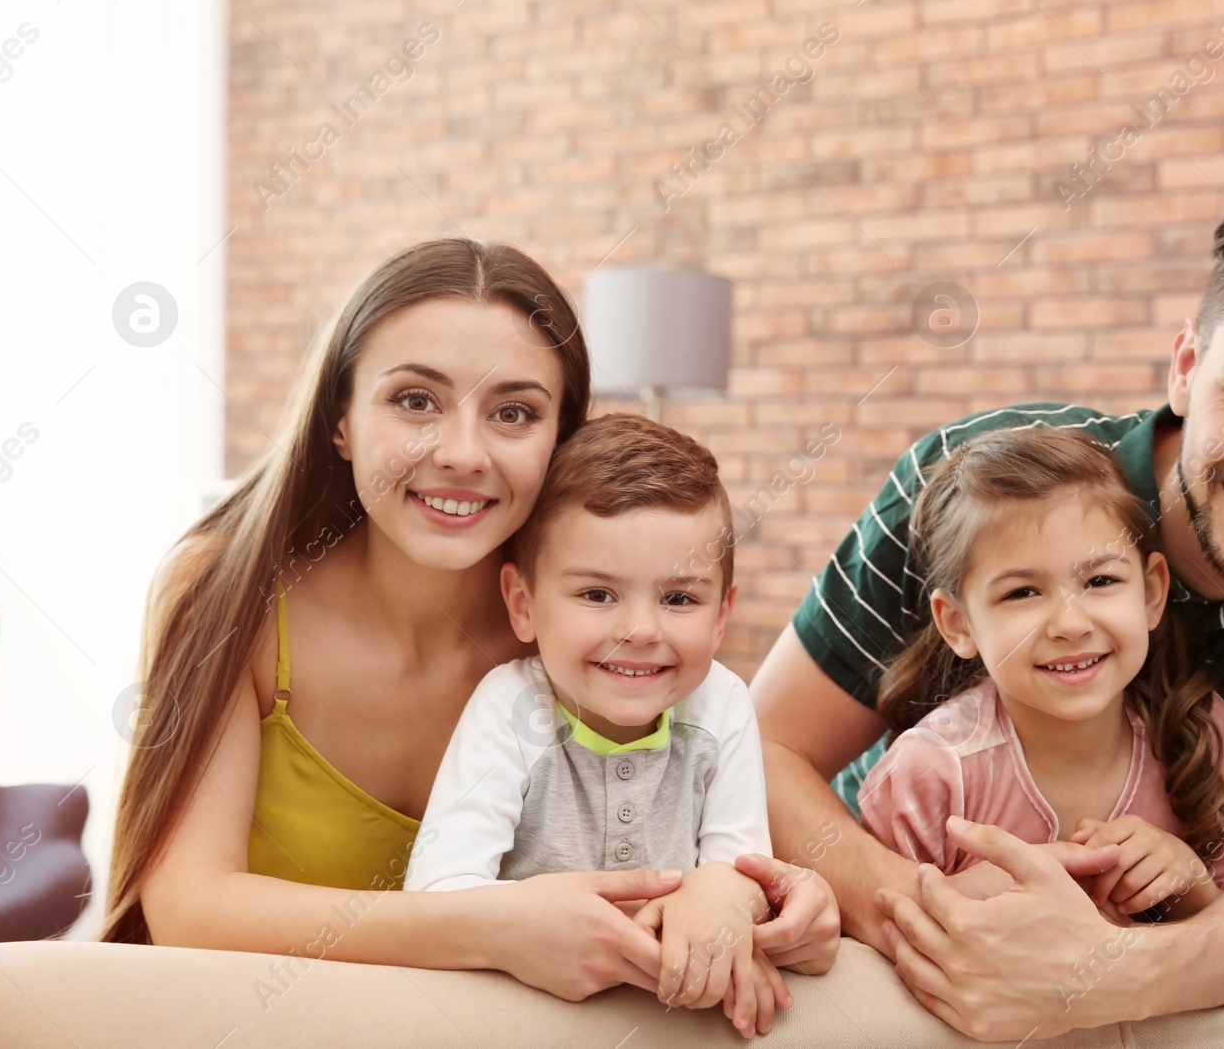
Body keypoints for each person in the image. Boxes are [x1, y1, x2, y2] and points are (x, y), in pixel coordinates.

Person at [750, 184, 1224, 1039]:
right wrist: (956, 928)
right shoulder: (979, 480)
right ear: (1186, 368)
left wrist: (1090, 975)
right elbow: (762, 748)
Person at [103, 237, 839, 1002]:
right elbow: (188, 905)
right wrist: (485, 929)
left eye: (514, 412)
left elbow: (733, 834)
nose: (462, 452)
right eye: (415, 400)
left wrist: (792, 902)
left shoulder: (600, 638)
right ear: (342, 418)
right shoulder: (229, 592)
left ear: (561, 440)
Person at [406, 413, 795, 1037]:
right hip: (519, 1016)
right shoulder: (510, 707)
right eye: (597, 594)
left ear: (722, 616)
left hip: (664, 1020)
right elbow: (436, 891)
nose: (641, 631)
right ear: (523, 605)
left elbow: (742, 865)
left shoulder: (723, 705)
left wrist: (725, 897)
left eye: (678, 599)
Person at [856, 428, 1224, 921]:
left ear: (1152, 592)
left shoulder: (1201, 730)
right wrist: (963, 898)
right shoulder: (928, 772)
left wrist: (1191, 881)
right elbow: (875, 952)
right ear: (958, 624)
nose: (1070, 624)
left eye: (1100, 581)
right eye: (1022, 593)